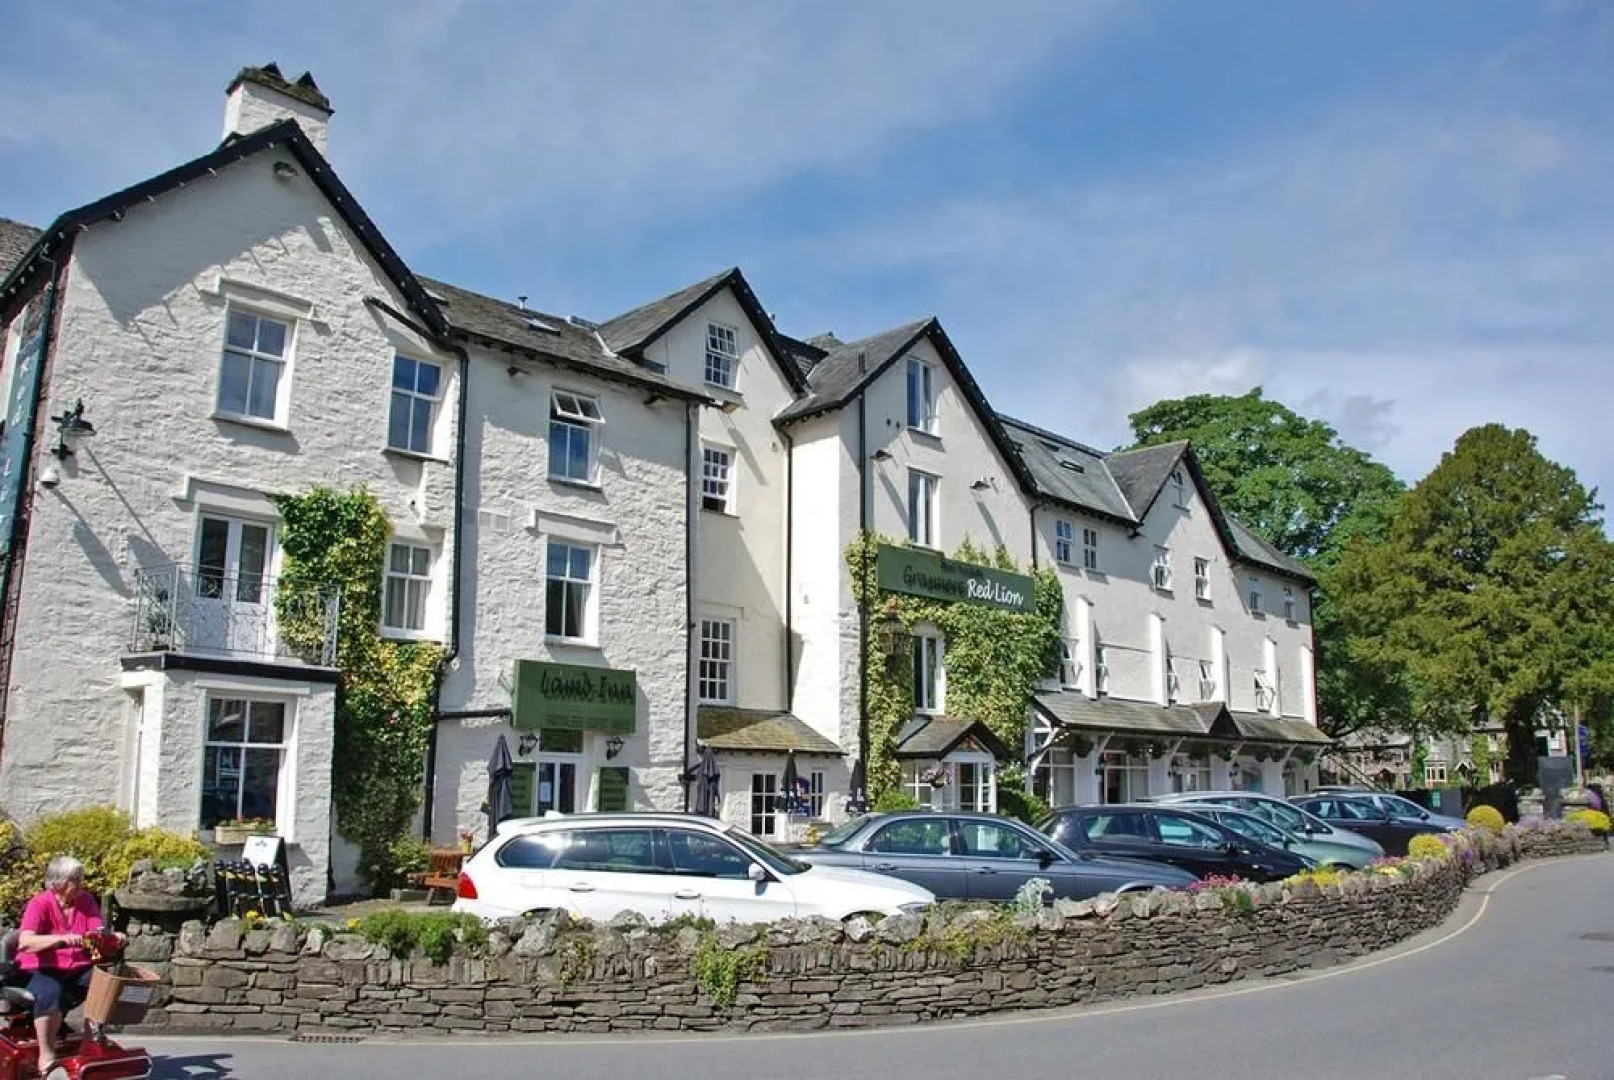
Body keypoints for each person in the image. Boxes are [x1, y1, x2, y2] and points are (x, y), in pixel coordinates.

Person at [15, 855, 121, 1077]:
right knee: (50, 992)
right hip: (39, 967)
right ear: (59, 883)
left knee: (103, 983)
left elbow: (96, 932)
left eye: (81, 878)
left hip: (76, 966)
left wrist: (113, 938)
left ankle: (89, 1044)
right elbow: (26, 941)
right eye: (76, 880)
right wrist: (60, 940)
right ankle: (47, 1055)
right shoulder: (39, 903)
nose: (81, 884)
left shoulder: (86, 900)